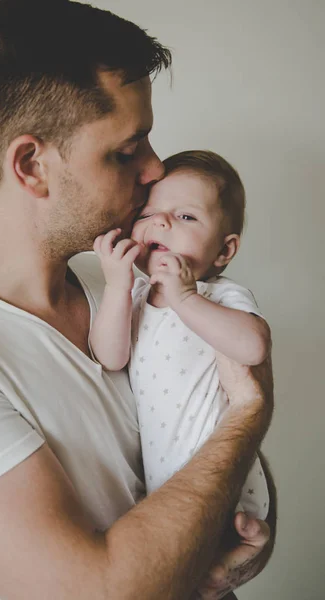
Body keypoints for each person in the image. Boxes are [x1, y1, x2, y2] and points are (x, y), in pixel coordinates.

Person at [0, 1, 274, 599]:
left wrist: (241, 540)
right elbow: (104, 592)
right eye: (126, 149)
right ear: (32, 165)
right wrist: (250, 415)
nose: (156, 168)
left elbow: (202, 456)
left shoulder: (125, 278)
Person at [90, 150, 271, 519]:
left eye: (185, 216)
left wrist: (185, 297)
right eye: (145, 215)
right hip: (163, 473)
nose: (160, 223)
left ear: (224, 249)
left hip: (220, 467)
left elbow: (254, 347)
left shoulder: (218, 295)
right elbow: (110, 356)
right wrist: (116, 286)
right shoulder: (136, 297)